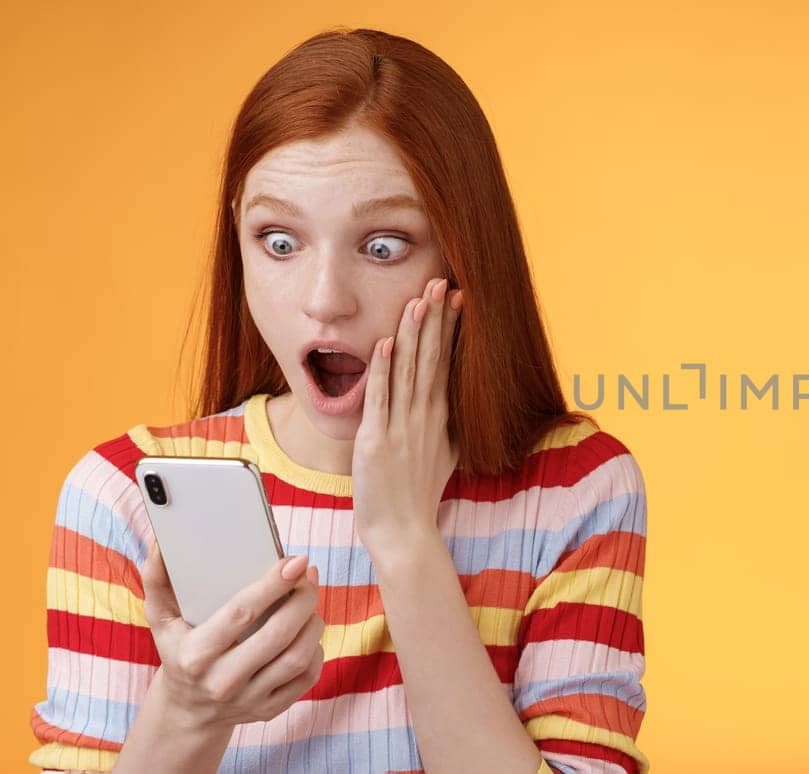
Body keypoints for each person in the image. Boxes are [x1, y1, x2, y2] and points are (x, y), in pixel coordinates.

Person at [28, 27, 649, 774]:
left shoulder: (577, 490)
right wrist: (190, 708)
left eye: (383, 245)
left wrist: (405, 540)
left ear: (463, 253)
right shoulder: (123, 496)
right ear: (239, 241)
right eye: (279, 241)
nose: (324, 302)